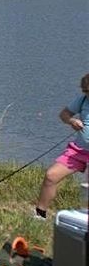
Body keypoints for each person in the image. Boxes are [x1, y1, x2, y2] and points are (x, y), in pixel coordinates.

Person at [34, 72, 89, 220]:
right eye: (86, 91)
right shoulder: (82, 100)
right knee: (51, 176)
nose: (87, 94)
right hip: (78, 151)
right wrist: (72, 121)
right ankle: (40, 216)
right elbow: (64, 114)